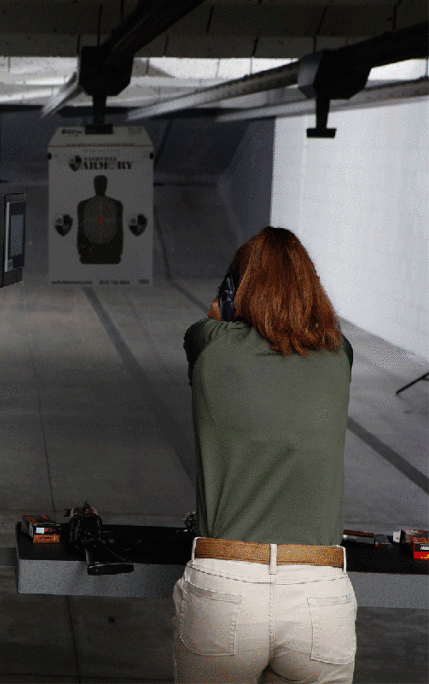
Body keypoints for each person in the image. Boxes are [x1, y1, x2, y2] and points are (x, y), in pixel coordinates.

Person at [176, 226, 356, 683]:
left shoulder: (208, 343)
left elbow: (211, 324)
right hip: (319, 592)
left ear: (233, 296)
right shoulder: (339, 355)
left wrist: (226, 309)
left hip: (226, 587)